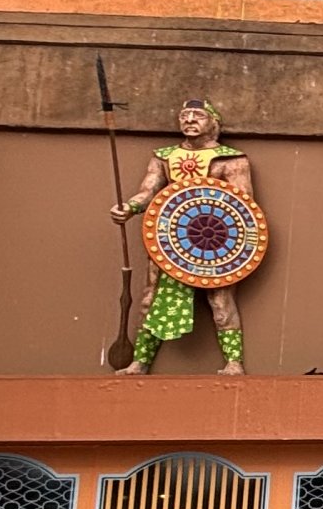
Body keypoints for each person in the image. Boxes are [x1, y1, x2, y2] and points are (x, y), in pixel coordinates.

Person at [110, 98, 257, 374]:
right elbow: (149, 191)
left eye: (197, 115)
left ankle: (234, 361)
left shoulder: (231, 158)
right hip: (172, 239)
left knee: (220, 299)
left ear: (212, 122)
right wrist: (129, 207)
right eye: (184, 115)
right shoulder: (164, 156)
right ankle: (139, 362)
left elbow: (242, 204)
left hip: (215, 242)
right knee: (151, 298)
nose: (189, 120)